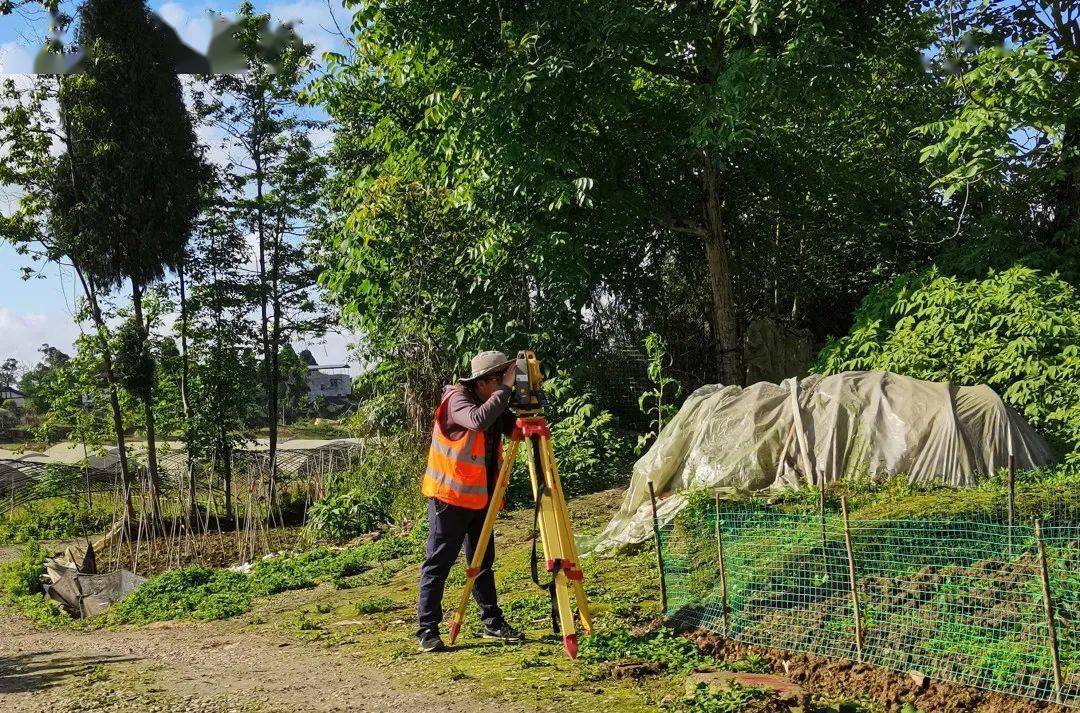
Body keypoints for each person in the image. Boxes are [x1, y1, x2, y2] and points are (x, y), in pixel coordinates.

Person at [416, 350, 524, 652]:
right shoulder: (458, 401)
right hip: (449, 499)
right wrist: (506, 390)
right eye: (501, 379)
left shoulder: (490, 402)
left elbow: (514, 428)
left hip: (480, 497)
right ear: (484, 381)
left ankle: (492, 621)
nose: (506, 385)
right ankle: (427, 629)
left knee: (482, 563)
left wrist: (529, 408)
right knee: (439, 562)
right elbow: (477, 421)